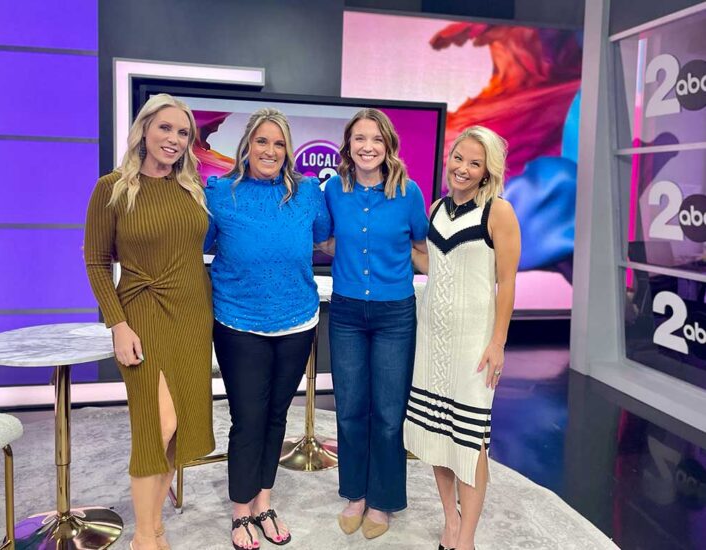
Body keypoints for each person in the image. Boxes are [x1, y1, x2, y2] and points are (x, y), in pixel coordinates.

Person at [84, 94, 214, 550]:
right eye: (165, 128)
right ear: (143, 130)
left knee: (179, 428)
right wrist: (117, 325)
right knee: (155, 428)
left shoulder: (192, 187)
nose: (174, 139)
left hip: (193, 316)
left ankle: (155, 526)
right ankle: (143, 537)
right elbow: (96, 261)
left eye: (183, 133)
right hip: (142, 314)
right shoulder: (112, 187)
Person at [204, 108, 331, 550]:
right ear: (247, 145)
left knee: (277, 415)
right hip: (238, 322)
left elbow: (324, 237)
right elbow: (197, 243)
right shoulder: (219, 192)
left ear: (288, 151)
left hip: (297, 320)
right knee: (248, 418)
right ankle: (240, 511)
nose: (270, 151)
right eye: (262, 141)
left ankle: (263, 503)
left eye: (279, 144)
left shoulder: (307, 192)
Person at [404, 126, 521, 550]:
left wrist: (498, 342)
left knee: (469, 444)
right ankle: (450, 523)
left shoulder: (498, 212)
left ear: (488, 170)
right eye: (459, 158)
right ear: (449, 158)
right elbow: (435, 265)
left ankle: (466, 538)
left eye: (475, 163)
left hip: (474, 346)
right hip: (431, 339)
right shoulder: (436, 208)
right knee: (438, 438)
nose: (463, 169)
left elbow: (507, 283)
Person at [324, 108, 429, 539]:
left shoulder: (408, 192)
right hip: (347, 312)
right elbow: (327, 241)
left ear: (389, 146)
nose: (368, 147)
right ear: (348, 145)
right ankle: (355, 494)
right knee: (350, 408)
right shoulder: (334, 189)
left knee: (388, 412)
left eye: (376, 139)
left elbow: (421, 245)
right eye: (359, 138)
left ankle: (383, 501)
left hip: (394, 315)